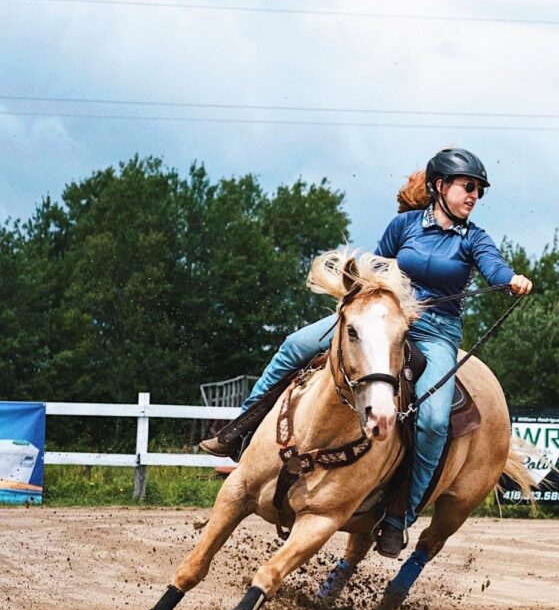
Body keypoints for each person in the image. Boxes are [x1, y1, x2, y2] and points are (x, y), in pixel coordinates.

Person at [200, 148, 533, 557]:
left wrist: (511, 279)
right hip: (383, 319)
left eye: (479, 190)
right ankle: (241, 429)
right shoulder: (404, 226)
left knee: (430, 420)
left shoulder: (475, 239)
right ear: (440, 187)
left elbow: (494, 267)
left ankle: (399, 514)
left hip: (435, 334)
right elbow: (379, 268)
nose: (474, 196)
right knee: (295, 346)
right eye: (468, 187)